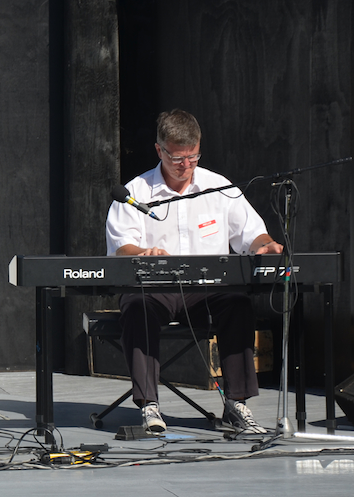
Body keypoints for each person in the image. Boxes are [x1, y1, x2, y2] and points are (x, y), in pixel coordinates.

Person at [105, 109, 283, 434]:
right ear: (159, 150)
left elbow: (251, 233)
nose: (185, 165)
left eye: (193, 157)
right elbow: (121, 247)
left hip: (208, 288)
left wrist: (266, 244)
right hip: (156, 288)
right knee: (137, 306)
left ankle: (236, 403)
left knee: (238, 303)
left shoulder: (219, 187)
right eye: (176, 157)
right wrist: (144, 253)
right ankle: (149, 405)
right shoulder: (135, 193)